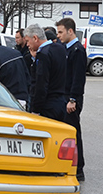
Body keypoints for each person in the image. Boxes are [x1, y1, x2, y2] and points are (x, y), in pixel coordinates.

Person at [56, 18, 87, 181]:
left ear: (70, 31)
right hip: (63, 96)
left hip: (71, 99)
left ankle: (79, 168)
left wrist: (73, 99)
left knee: (74, 133)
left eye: (61, 32)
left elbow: (78, 78)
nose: (58, 35)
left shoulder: (77, 50)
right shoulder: (64, 48)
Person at [24, 24, 67, 121]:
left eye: (27, 41)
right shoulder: (60, 49)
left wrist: (35, 110)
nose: (27, 45)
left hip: (47, 105)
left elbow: (41, 84)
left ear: (35, 38)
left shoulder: (43, 54)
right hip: (60, 101)